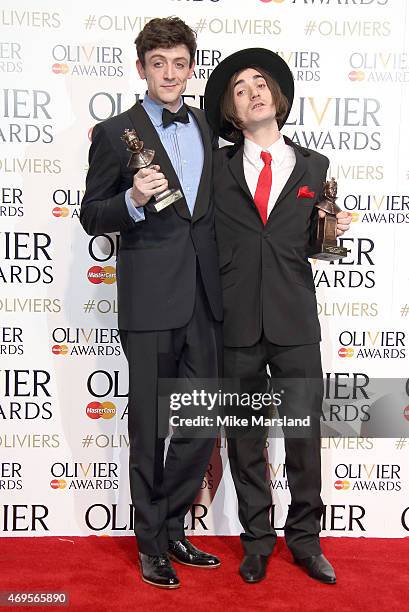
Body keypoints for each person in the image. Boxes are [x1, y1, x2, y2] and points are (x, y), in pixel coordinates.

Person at [80, 17, 223, 589]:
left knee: (201, 419)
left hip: (205, 298)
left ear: (192, 68)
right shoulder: (116, 132)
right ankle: (150, 543)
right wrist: (133, 199)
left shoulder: (209, 128)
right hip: (147, 301)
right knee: (149, 428)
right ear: (141, 68)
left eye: (180, 63)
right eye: (158, 63)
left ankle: (170, 526)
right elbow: (93, 213)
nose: (170, 73)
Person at [204, 48, 352, 585]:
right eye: (240, 89)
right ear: (232, 112)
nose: (253, 92)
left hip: (295, 324)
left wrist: (331, 230)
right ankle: (256, 541)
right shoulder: (214, 168)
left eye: (259, 82)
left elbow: (307, 243)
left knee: (304, 437)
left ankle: (306, 541)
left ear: (278, 96)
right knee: (243, 438)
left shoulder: (315, 166)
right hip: (236, 323)